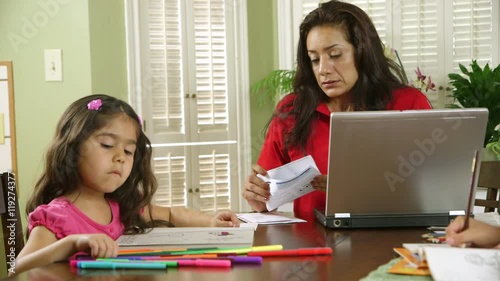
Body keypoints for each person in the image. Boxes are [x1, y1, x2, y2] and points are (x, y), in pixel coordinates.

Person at [242, 0, 432, 222]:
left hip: (389, 242)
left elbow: (431, 192)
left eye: (335, 55)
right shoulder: (292, 110)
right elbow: (266, 195)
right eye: (314, 59)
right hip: (313, 250)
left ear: (362, 52)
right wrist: (259, 199)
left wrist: (353, 189)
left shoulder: (408, 103)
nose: (323, 69)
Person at [13, 94, 240, 275]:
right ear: (73, 149)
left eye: (128, 151)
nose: (121, 157)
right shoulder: (56, 217)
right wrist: (72, 244)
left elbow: (171, 213)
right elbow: (17, 269)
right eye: (107, 144)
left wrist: (211, 221)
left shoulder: (120, 207)